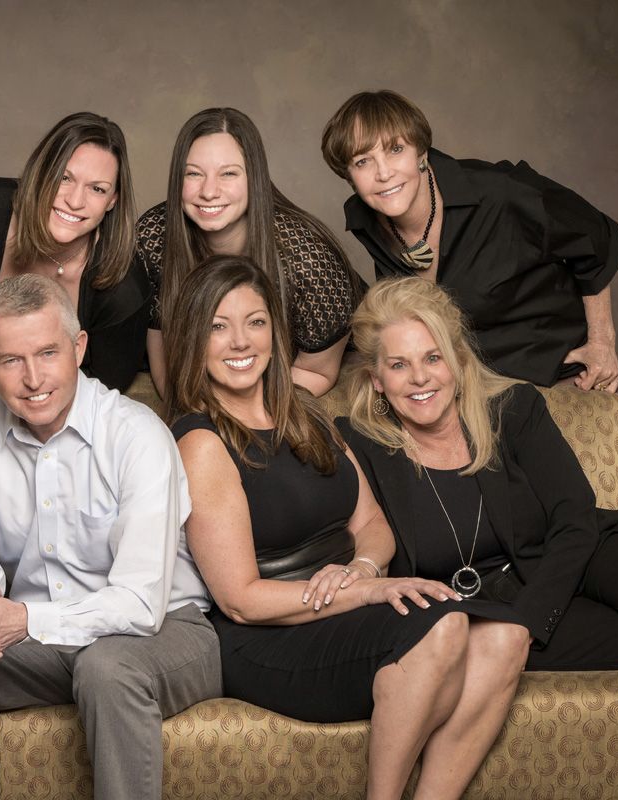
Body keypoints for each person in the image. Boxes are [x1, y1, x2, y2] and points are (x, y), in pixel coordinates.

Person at [338, 276, 618, 796]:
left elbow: (574, 519)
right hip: (473, 620)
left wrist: (531, 619)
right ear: (376, 380)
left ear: (457, 363)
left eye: (433, 358)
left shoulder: (513, 410)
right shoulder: (361, 443)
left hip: (562, 569)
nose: (420, 378)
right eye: (399, 365)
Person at [166, 255, 530, 800]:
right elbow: (241, 601)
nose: (240, 341)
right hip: (267, 637)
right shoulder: (200, 442)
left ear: (276, 334)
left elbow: (372, 524)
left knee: (507, 634)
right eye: (219, 326)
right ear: (195, 338)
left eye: (256, 322)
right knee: (444, 623)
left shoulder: (305, 412)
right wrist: (365, 591)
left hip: (342, 598)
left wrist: (360, 565)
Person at [0, 274, 221, 800]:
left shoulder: (137, 435)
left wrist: (24, 619)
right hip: (39, 640)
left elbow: (140, 605)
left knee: (107, 666)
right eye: (11, 360)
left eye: (48, 352)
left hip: (164, 633)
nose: (33, 378)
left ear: (78, 348)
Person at [322, 90, 618, 391]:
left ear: (421, 152)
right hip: (460, 381)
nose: (384, 173)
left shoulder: (500, 192)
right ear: (349, 176)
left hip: (552, 370)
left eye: (395, 150)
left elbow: (597, 239)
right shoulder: (367, 222)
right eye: (363, 161)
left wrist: (602, 341)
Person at [137, 107, 365, 398]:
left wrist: (244, 418)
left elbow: (315, 371)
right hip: (226, 366)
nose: (209, 191)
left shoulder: (308, 258)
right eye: (193, 174)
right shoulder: (155, 234)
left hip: (305, 369)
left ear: (254, 177)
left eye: (228, 173)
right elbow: (163, 348)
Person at [0, 112, 149, 393]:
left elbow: (102, 390)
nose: (75, 201)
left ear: (112, 201)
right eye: (64, 178)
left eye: (97, 189)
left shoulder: (124, 290)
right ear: (41, 173)